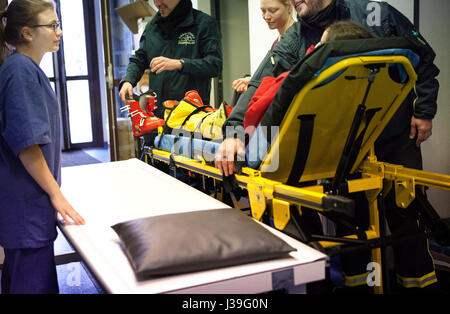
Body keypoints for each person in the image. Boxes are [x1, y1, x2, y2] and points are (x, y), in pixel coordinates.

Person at [215, 0, 440, 292]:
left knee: (406, 213)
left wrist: (424, 110)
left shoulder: (376, 12)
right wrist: (234, 131)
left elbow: (423, 57)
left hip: (394, 133)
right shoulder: (296, 36)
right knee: (352, 221)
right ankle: (359, 286)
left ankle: (418, 285)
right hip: (345, 143)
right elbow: (260, 84)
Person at [0, 0, 85, 294]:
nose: (59, 32)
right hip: (26, 209)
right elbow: (27, 146)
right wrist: (56, 195)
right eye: (52, 25)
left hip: (25, 208)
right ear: (26, 33)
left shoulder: (24, 69)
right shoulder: (20, 72)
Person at [119, 0, 223, 119]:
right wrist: (128, 80)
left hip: (192, 118)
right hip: (157, 117)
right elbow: (139, 59)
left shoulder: (203, 24)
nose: (157, 4)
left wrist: (180, 64)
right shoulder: (153, 26)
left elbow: (215, 65)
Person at [232, 0, 295, 94]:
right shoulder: (278, 41)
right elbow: (275, 77)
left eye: (273, 10)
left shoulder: (295, 40)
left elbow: (289, 82)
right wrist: (252, 80)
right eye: (263, 11)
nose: (266, 17)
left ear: (289, 7)